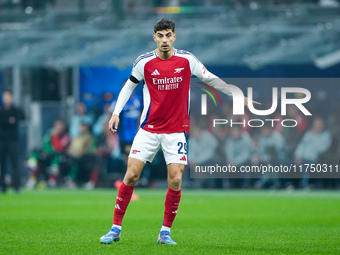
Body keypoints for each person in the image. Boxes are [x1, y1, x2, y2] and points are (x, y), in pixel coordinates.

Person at [100, 18, 259, 245]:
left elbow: (210, 78)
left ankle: (165, 232)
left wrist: (236, 95)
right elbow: (129, 85)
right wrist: (116, 112)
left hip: (175, 131)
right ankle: (115, 229)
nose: (164, 40)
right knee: (131, 175)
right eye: (160, 36)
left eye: (168, 35)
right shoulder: (144, 62)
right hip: (149, 129)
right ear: (154, 37)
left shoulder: (187, 60)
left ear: (174, 36)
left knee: (175, 179)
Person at [26, 119, 70, 189]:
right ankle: (32, 177)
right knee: (38, 154)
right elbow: (45, 145)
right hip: (48, 154)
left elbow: (59, 147)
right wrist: (50, 149)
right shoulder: (49, 132)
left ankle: (52, 182)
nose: (57, 127)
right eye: (56, 125)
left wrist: (54, 137)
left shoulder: (65, 136)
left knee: (57, 158)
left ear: (63, 127)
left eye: (59, 125)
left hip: (58, 156)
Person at [0, 90, 25, 193]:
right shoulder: (1, 111)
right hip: (2, 140)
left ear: (12, 98)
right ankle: (3, 186)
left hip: (13, 140)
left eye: (8, 97)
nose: (6, 99)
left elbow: (21, 118)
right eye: (4, 97)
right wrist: (9, 121)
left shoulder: (16, 110)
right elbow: (7, 122)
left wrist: (9, 122)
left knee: (14, 163)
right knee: (2, 164)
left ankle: (17, 186)